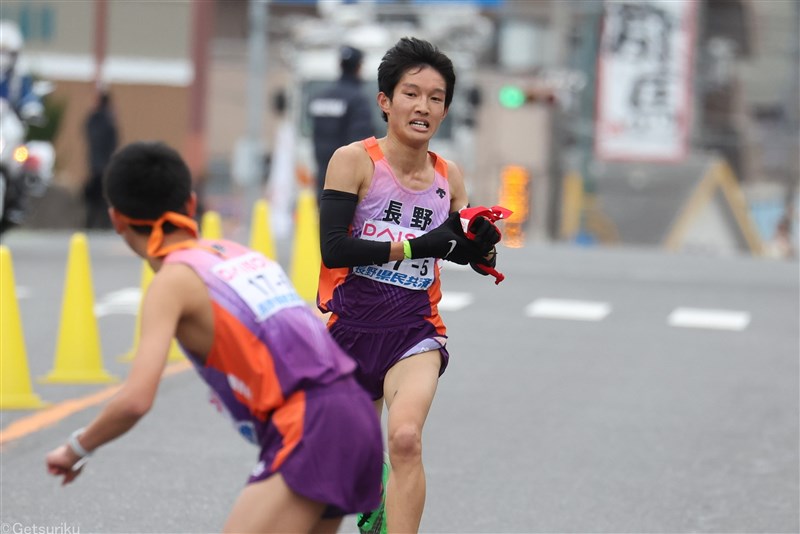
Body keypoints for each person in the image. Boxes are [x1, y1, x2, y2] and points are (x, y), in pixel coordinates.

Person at [45, 141, 383, 533]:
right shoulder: (237, 252)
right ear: (190, 205)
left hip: (310, 424)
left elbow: (135, 401)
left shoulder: (172, 282)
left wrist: (76, 449)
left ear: (116, 219)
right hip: (354, 411)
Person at [317, 37, 502, 533]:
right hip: (350, 328)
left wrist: (483, 247)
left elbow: (459, 250)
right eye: (411, 93)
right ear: (385, 101)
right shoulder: (353, 161)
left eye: (436, 97)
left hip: (413, 331)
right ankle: (372, 495)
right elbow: (334, 249)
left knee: (404, 438)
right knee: (347, 453)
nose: (423, 106)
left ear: (445, 110)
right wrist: (418, 245)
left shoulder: (449, 178)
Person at [309, 45, 376, 202]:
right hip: (348, 181)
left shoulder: (321, 98)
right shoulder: (357, 99)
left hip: (322, 175)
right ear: (359, 67)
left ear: (340, 65)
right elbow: (361, 143)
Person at [83, 90, 118, 229]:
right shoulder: (108, 120)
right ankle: (102, 223)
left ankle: (93, 223)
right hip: (104, 164)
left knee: (97, 197)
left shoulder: (97, 119)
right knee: (102, 196)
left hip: (97, 164)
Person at [0, 19, 43, 121]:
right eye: (2, 52)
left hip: (7, 123)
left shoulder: (18, 76)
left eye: (10, 53)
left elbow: (27, 94)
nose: (5, 58)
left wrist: (32, 108)